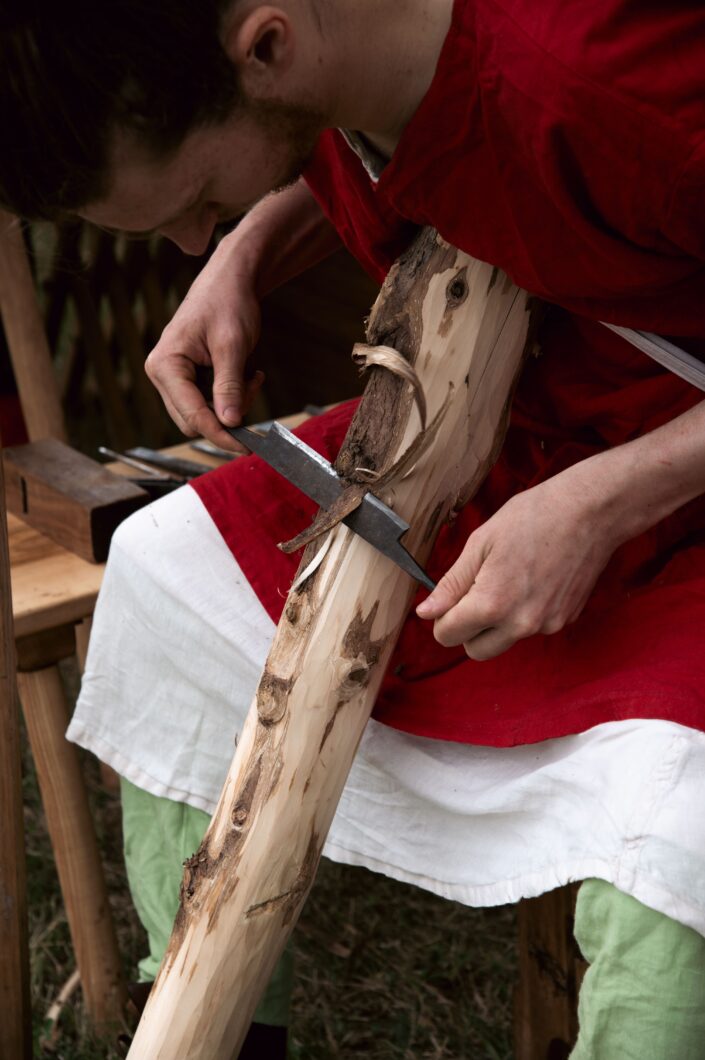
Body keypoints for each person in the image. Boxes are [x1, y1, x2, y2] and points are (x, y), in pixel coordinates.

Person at [3, 0, 705, 1055]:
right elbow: (402, 150)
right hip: (530, 421)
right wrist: (249, 245)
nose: (190, 239)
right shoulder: (343, 53)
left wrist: (602, 502)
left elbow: (530, 126)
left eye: (196, 200)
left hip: (668, 472)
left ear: (269, 46)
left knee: (672, 831)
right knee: (170, 576)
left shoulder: (610, 81)